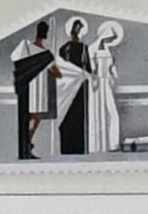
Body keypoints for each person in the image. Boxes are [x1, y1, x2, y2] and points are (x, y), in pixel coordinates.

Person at [10, 20, 59, 159]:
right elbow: (56, 73)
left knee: (32, 118)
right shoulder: (44, 53)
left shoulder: (26, 47)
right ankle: (26, 145)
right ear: (46, 34)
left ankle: (26, 145)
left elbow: (16, 59)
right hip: (36, 88)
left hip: (30, 86)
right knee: (36, 117)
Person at [56, 19, 92, 155]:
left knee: (74, 116)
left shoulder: (80, 48)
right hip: (72, 88)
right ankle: (72, 147)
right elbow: (88, 70)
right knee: (71, 116)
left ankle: (73, 148)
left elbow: (87, 69)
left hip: (74, 88)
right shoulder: (77, 48)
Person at [88, 22, 123, 153]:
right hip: (96, 85)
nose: (110, 41)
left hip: (107, 84)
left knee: (112, 113)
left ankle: (112, 144)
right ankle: (96, 146)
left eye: (112, 39)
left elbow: (112, 69)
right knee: (97, 113)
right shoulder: (92, 49)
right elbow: (91, 69)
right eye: (109, 38)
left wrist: (114, 76)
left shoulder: (109, 51)